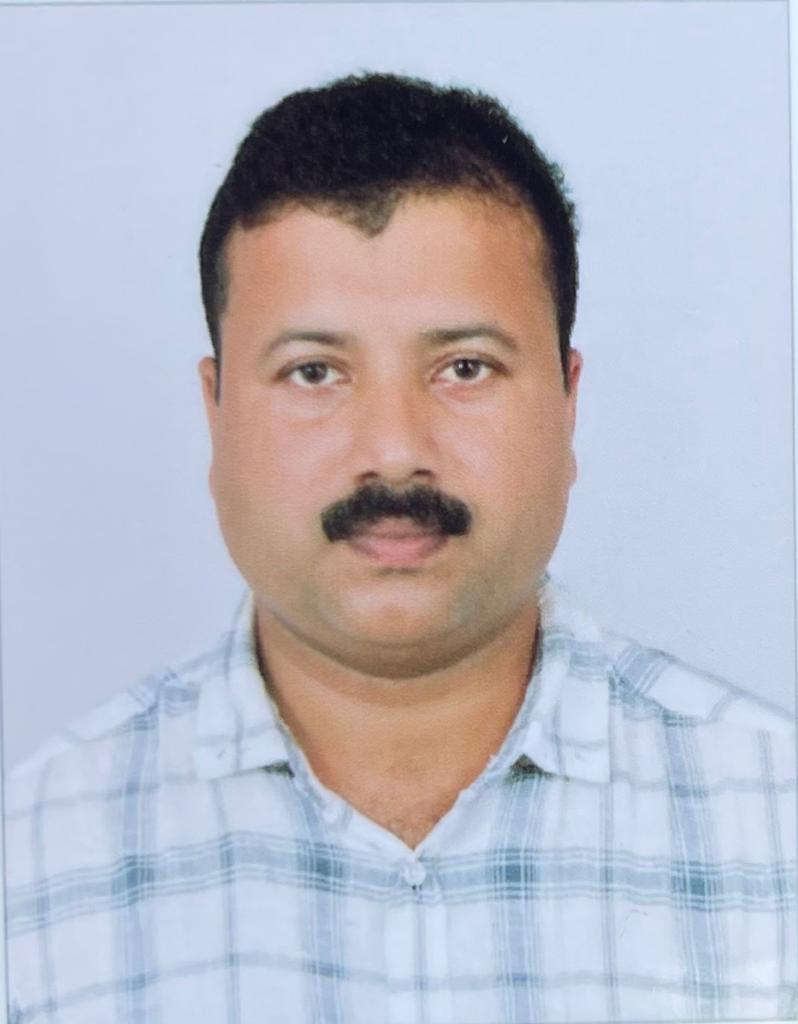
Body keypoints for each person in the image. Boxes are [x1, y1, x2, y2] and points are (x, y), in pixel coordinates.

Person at [5, 72, 795, 1024]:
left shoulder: (776, 824)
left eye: (464, 367)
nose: (391, 450)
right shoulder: (31, 866)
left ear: (567, 399)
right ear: (215, 413)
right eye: (313, 372)